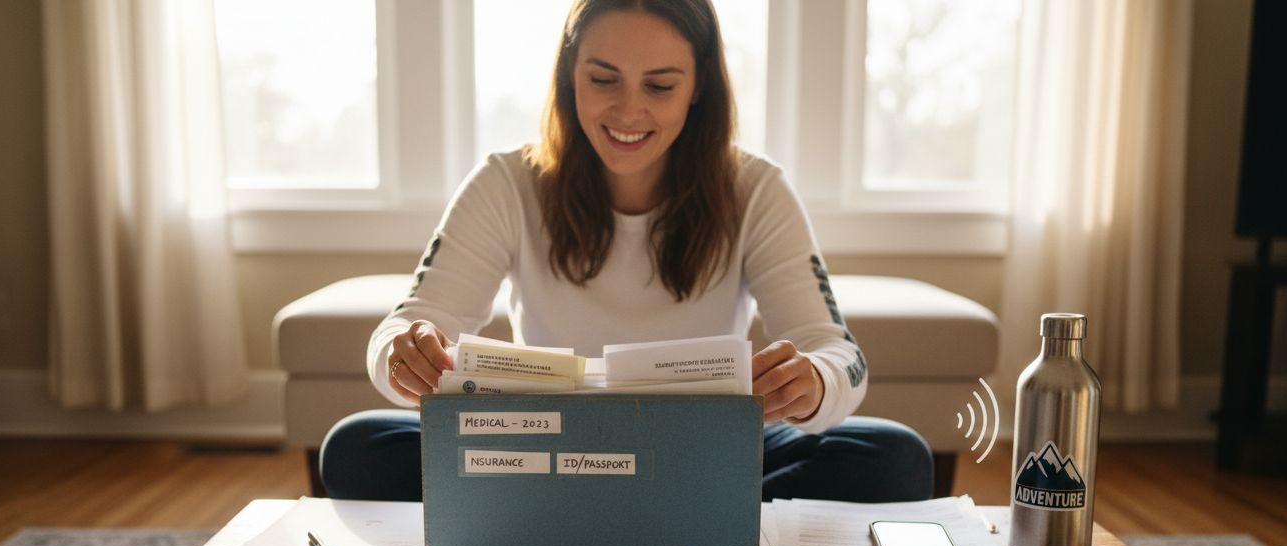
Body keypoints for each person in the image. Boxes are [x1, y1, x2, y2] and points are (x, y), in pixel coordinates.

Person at [321, 0, 933, 502]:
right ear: (570, 75)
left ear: (698, 89)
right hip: (542, 448)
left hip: (701, 448)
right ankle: (669, 513)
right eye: (603, 79)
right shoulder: (506, 183)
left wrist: (815, 384)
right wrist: (401, 355)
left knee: (894, 457)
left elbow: (839, 352)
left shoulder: (756, 190)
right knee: (355, 446)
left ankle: (615, 512)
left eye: (660, 85)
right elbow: (408, 324)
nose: (628, 110)